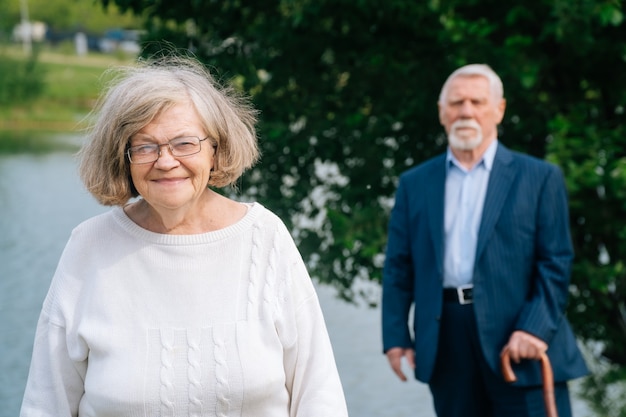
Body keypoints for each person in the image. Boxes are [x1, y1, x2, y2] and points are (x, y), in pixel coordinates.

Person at [20, 54, 349, 417]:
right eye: (145, 146)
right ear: (122, 158)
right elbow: (45, 403)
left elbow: (319, 396)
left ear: (216, 149)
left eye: (184, 143)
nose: (165, 161)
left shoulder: (265, 238)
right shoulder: (89, 246)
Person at [381, 63, 588, 417]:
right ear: (442, 112)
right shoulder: (415, 183)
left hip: (519, 340)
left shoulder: (539, 178)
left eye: (477, 102)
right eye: (456, 102)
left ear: (499, 110)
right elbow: (399, 266)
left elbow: (555, 262)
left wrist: (533, 328)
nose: (466, 111)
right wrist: (396, 335)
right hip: (446, 341)